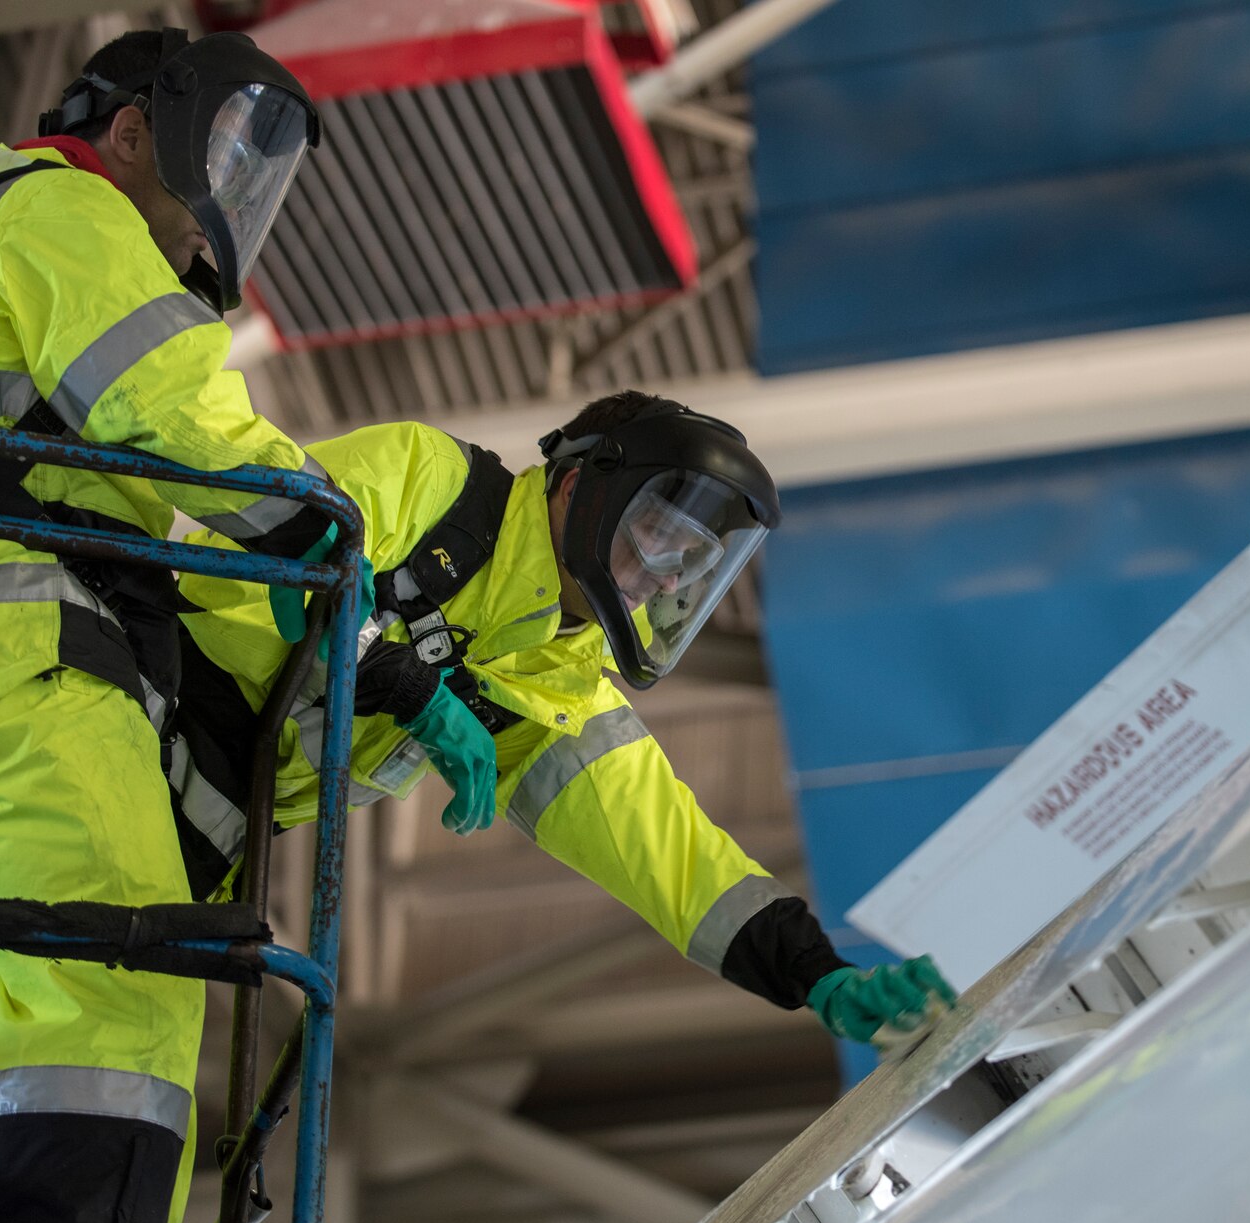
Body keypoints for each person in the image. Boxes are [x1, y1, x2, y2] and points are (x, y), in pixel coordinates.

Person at [0, 28, 372, 1223]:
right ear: (132, 128)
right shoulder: (69, 212)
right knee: (121, 970)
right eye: (218, 168)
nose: (217, 227)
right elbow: (178, 416)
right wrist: (328, 542)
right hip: (3, 643)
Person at [174, 391, 956, 1043]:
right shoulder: (426, 476)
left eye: (692, 560)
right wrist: (412, 690)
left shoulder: (557, 694)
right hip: (135, 711)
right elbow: (293, 551)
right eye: (659, 532)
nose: (666, 574)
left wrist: (819, 973)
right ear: (581, 488)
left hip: (206, 852)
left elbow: (677, 861)